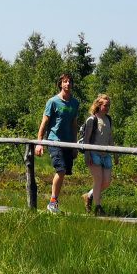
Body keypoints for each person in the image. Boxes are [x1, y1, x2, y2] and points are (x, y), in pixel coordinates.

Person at [35, 73, 80, 214]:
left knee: (64, 172)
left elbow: (74, 125)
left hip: (68, 142)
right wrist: (39, 142)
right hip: (54, 140)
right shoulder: (53, 102)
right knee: (60, 170)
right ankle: (52, 202)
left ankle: (54, 202)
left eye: (70, 82)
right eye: (65, 82)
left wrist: (75, 145)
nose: (67, 84)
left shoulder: (75, 103)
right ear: (60, 84)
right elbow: (45, 122)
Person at [81, 93, 117, 215]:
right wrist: (87, 155)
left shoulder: (109, 119)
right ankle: (98, 207)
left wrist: (116, 154)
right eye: (105, 105)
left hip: (106, 154)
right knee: (98, 180)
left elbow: (110, 137)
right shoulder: (92, 119)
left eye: (109, 106)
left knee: (106, 182)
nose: (107, 108)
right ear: (99, 105)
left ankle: (89, 195)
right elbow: (86, 140)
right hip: (94, 154)